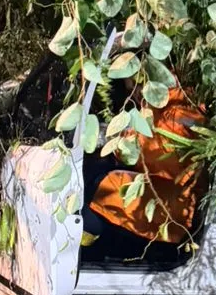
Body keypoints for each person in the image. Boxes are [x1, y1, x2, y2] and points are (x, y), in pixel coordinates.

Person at [81, 78, 208, 249]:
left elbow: (156, 150)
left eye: (132, 84)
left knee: (99, 189)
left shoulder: (181, 103)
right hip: (170, 196)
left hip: (178, 210)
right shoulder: (169, 98)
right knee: (99, 178)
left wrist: (113, 139)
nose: (132, 92)